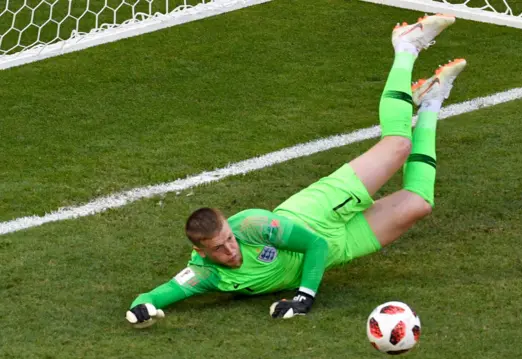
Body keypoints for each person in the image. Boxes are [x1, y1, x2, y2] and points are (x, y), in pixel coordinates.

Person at [125, 14, 467, 328]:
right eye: (220, 248)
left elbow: (313, 243)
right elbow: (160, 294)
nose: (231, 249)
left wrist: (304, 297)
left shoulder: (253, 226)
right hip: (341, 247)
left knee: (397, 146)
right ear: (202, 252)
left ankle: (406, 45)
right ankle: (434, 100)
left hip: (317, 213)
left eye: (228, 239)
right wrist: (141, 306)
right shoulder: (206, 275)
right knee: (419, 203)